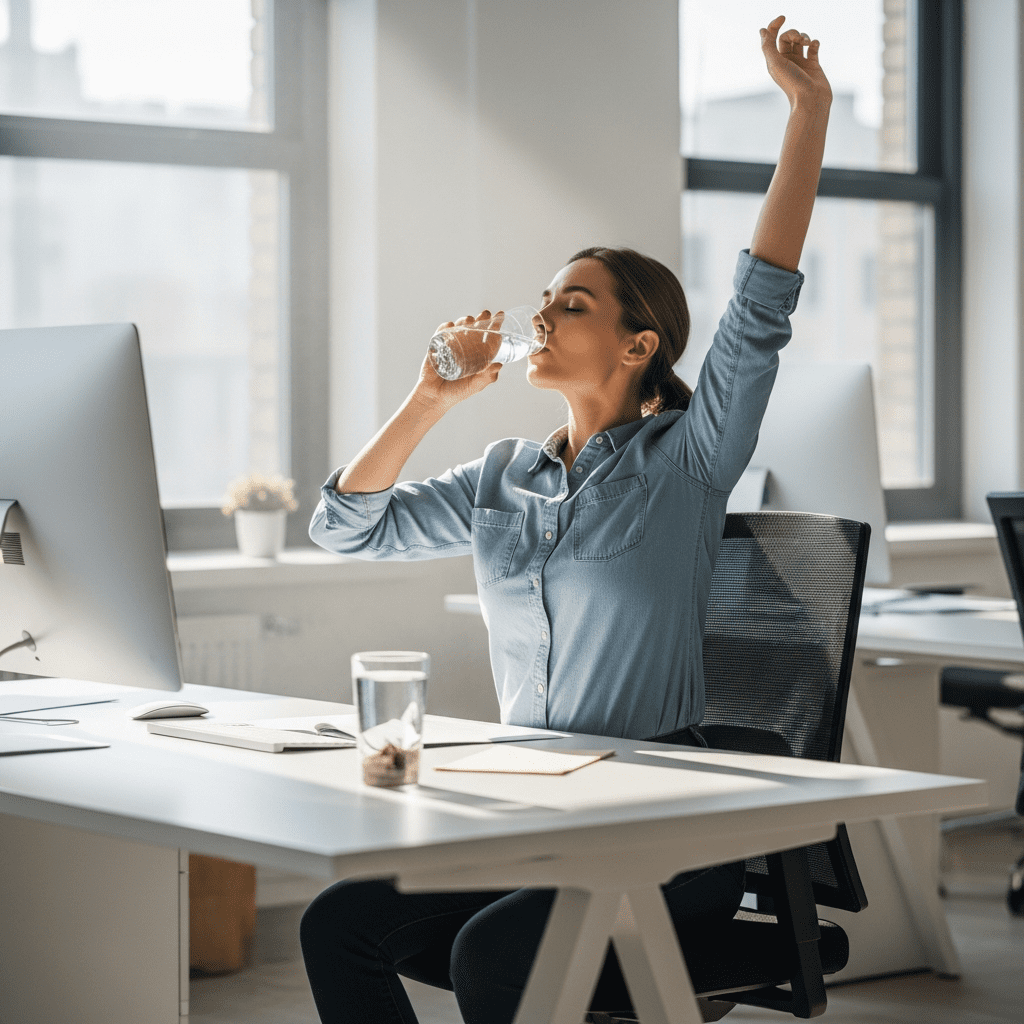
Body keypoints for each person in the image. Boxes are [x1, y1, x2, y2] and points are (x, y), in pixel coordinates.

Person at [301, 16, 832, 1024]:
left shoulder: (689, 458)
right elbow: (345, 529)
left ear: (639, 345)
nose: (540, 316)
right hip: (534, 806)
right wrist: (428, 402)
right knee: (339, 922)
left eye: (573, 303)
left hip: (663, 820)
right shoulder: (504, 473)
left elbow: (761, 304)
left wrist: (806, 111)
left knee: (492, 955)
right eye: (543, 297)